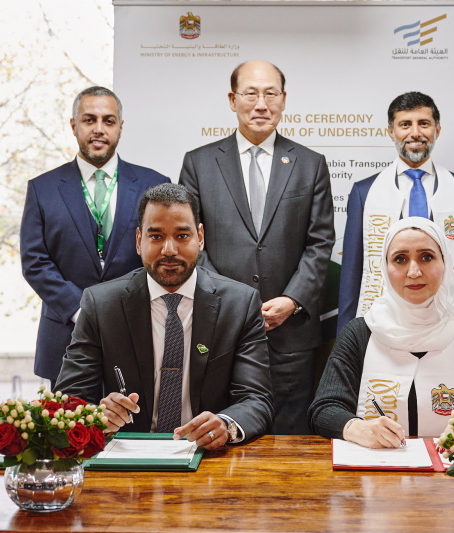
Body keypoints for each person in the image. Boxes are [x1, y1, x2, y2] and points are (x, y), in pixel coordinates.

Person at [55, 183, 275, 450]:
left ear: (200, 237)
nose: (169, 249)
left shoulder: (240, 304)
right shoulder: (101, 304)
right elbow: (69, 399)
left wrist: (225, 424)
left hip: (208, 455)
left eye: (182, 236)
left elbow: (256, 399)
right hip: (128, 453)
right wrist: (97, 416)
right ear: (139, 241)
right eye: (156, 236)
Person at [179, 60, 334, 435]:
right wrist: (231, 302)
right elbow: (189, 241)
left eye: (270, 93)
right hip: (219, 328)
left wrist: (292, 300)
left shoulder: (310, 164)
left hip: (290, 334)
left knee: (288, 442)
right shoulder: (199, 163)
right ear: (233, 100)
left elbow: (320, 243)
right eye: (250, 93)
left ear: (284, 100)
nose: (261, 104)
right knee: (218, 435)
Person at [309, 217, 454, 448]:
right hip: (377, 468)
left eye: (426, 257)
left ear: (445, 262)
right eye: (400, 259)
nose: (414, 271)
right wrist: (356, 427)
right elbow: (324, 409)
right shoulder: (359, 333)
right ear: (385, 267)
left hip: (453, 468)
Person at [21, 86, 169, 387]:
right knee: (70, 419)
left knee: (134, 418)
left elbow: (163, 255)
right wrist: (81, 310)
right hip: (65, 336)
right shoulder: (42, 189)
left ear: (120, 127)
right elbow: (35, 262)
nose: (99, 129)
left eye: (108, 121)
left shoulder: (155, 185)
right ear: (73, 125)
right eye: (89, 120)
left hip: (136, 333)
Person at [337, 92, 454, 335]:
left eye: (424, 124)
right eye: (405, 124)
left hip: (447, 319)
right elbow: (352, 273)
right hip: (385, 321)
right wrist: (346, 337)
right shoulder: (364, 193)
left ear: (437, 130)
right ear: (391, 131)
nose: (415, 133)